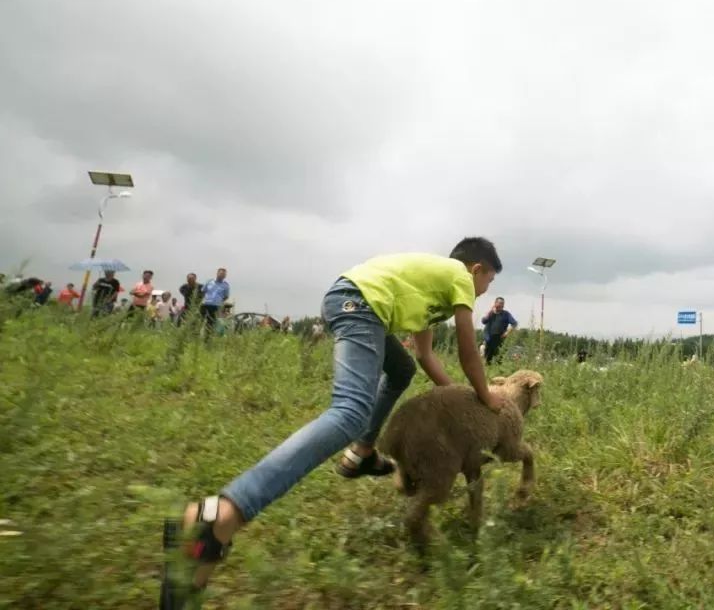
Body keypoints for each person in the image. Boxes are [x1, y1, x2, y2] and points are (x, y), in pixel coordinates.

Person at [160, 238, 506, 606]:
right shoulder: (457, 276)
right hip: (358, 303)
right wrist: (486, 397)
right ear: (477, 269)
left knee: (400, 367)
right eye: (489, 283)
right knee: (349, 412)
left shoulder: (430, 295)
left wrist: (459, 402)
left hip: (354, 299)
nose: (484, 293)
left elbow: (423, 356)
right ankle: (219, 514)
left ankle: (363, 451)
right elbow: (470, 353)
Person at [480, 296, 518, 364]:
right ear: (495, 303)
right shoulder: (490, 313)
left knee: (499, 359)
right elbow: (483, 321)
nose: (501, 305)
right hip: (489, 339)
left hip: (500, 340)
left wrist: (507, 333)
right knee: (487, 359)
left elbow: (514, 323)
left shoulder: (506, 314)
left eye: (502, 303)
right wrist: (490, 311)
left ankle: (498, 372)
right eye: (499, 303)